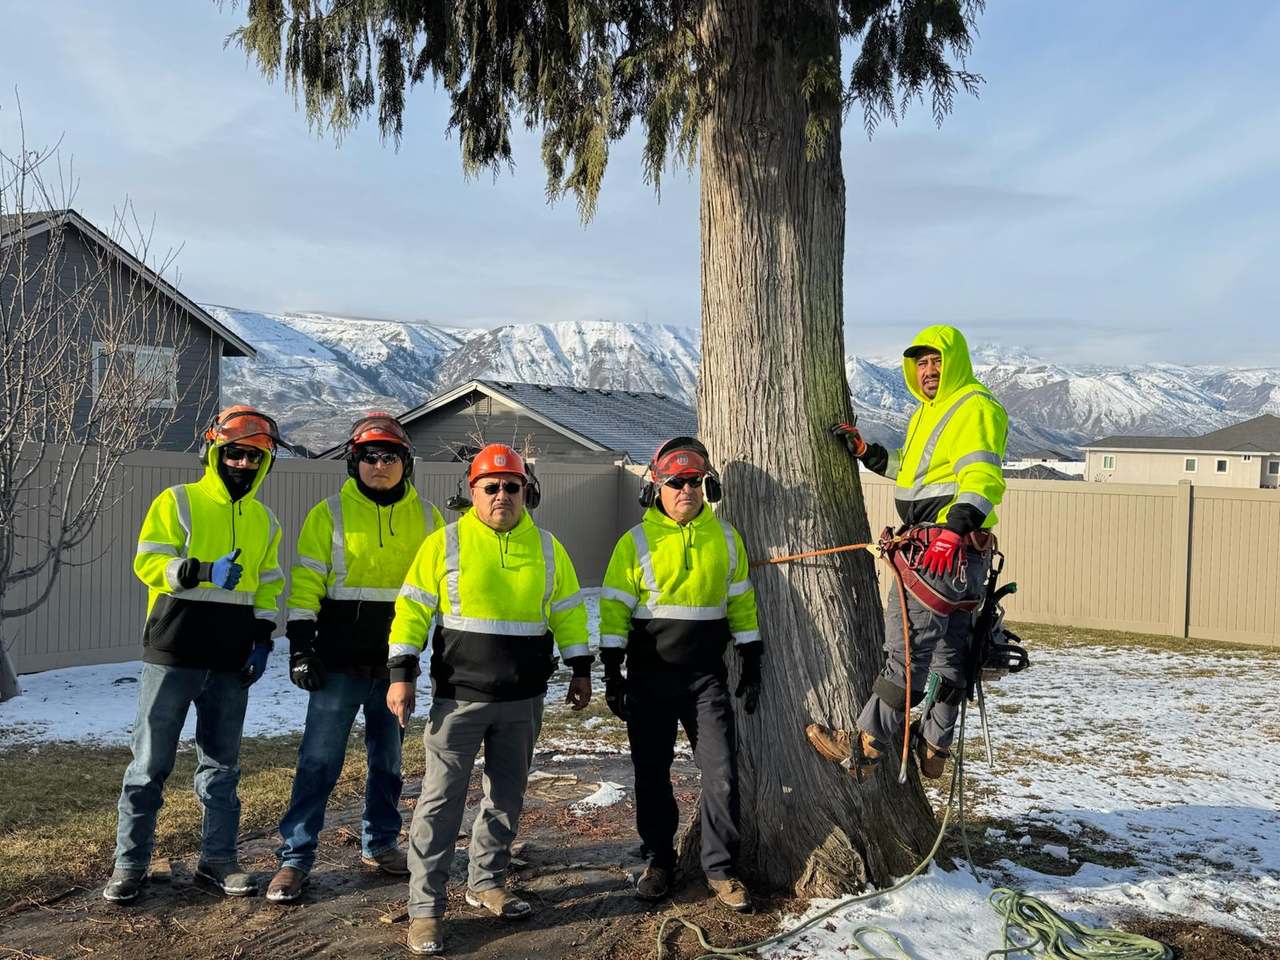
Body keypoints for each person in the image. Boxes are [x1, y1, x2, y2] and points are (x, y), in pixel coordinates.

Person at [385, 443, 592, 956]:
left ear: (527, 491)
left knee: (505, 797)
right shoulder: (445, 543)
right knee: (440, 802)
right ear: (473, 492)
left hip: (523, 700)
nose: (502, 495)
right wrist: (401, 673)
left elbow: (567, 611)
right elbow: (411, 610)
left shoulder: (548, 547)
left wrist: (581, 667)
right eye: (491, 486)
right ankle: (426, 909)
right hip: (459, 700)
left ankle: (487, 883)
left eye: (512, 486)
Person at [806, 324, 1008, 782]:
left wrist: (953, 530)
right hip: (958, 554)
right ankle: (934, 746)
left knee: (906, 652)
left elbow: (981, 476)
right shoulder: (928, 414)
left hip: (942, 548)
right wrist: (869, 453)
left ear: (954, 363)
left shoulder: (972, 405)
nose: (929, 370)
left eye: (936, 361)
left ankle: (865, 746)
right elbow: (915, 472)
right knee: (949, 654)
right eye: (922, 363)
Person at [104, 405, 286, 903]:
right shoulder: (178, 501)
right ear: (215, 452)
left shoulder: (265, 520)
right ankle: (130, 865)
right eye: (235, 453)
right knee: (149, 765)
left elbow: (269, 585)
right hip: (174, 651)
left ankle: (218, 860)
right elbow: (148, 562)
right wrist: (202, 570)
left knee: (222, 768)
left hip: (231, 659)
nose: (243, 464)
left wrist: (263, 639)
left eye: (254, 457)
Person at [266, 414, 445, 904]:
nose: (379, 465)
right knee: (318, 762)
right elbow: (306, 585)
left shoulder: (430, 518)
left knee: (388, 762)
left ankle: (381, 844)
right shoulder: (328, 514)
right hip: (337, 665)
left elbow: (442, 589)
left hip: (396, 667)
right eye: (369, 457)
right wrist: (300, 648)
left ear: (406, 463)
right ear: (353, 462)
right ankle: (295, 858)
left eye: (390, 457)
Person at [599, 437, 761, 911]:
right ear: (656, 488)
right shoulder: (635, 543)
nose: (686, 490)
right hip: (648, 681)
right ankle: (659, 862)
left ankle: (720, 869)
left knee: (722, 775)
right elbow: (613, 610)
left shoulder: (726, 538)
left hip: (705, 682)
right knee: (652, 775)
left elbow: (742, 603)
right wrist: (612, 673)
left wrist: (752, 659)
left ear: (706, 486)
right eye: (676, 482)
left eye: (694, 482)